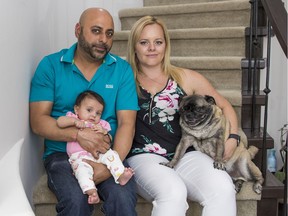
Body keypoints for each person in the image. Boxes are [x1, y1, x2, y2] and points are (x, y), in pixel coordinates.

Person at [29, 8, 139, 216]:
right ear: (78, 30)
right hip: (62, 155)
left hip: (108, 153)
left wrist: (109, 166)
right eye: (96, 31)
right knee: (75, 200)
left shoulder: (121, 69)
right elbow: (38, 121)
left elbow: (127, 124)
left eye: (109, 33)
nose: (103, 40)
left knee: (122, 198)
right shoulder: (51, 65)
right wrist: (79, 135)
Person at [126, 15, 239, 216]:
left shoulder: (185, 78)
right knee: (173, 192)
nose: (152, 48)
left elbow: (224, 105)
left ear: (165, 46)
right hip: (143, 156)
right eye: (144, 42)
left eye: (158, 42)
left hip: (187, 153)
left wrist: (233, 138)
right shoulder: (124, 79)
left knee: (223, 187)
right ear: (134, 46)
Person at [56, 90, 134, 204]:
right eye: (89, 110)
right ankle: (91, 191)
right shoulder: (74, 118)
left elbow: (109, 139)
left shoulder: (101, 124)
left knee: (112, 155)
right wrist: (74, 122)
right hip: (80, 157)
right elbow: (59, 122)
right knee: (81, 171)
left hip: (100, 154)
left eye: (98, 113)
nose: (94, 115)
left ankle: (120, 175)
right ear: (77, 109)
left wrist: (104, 132)